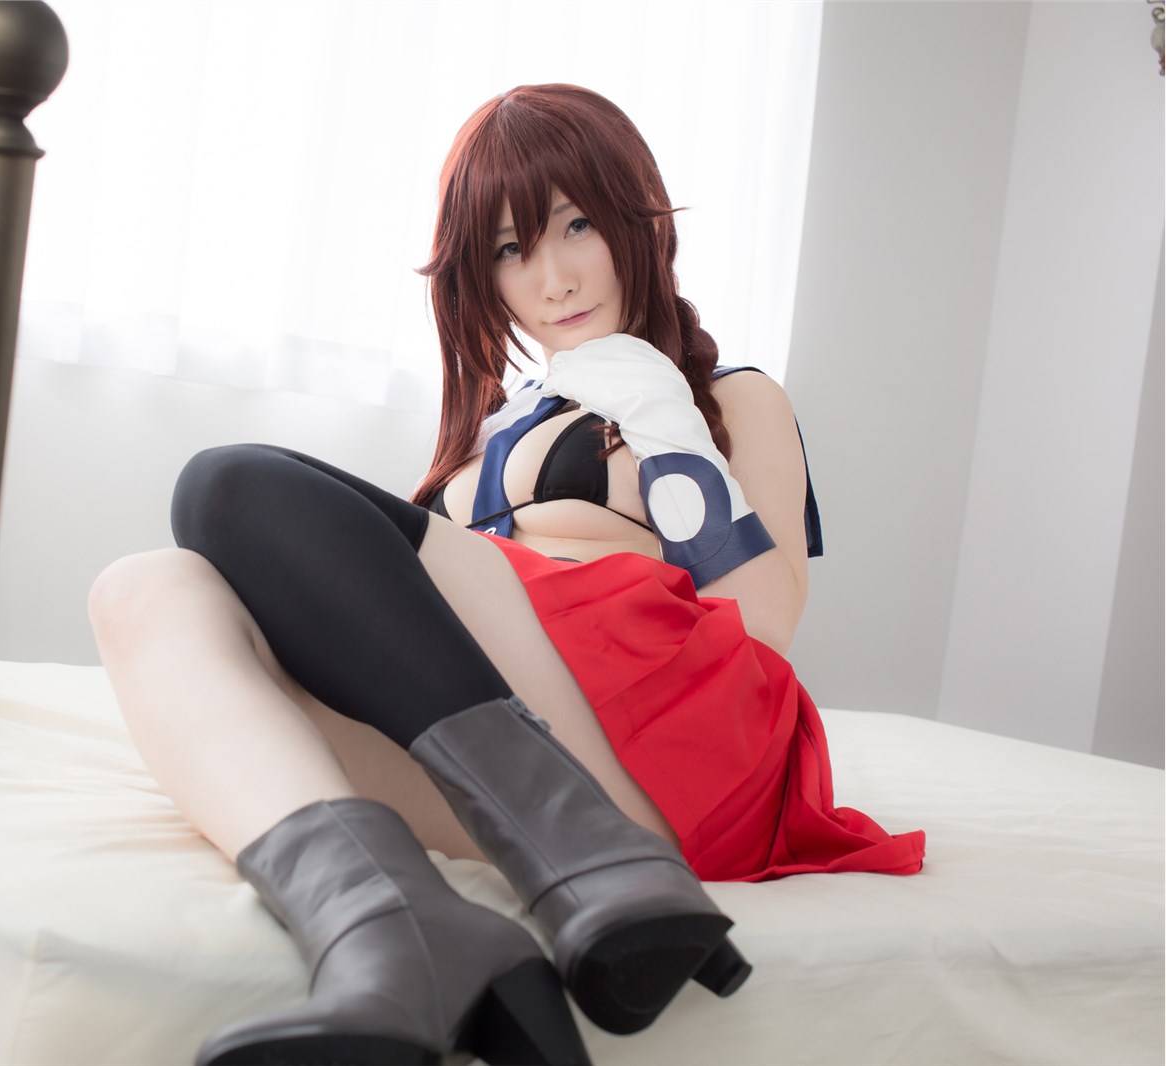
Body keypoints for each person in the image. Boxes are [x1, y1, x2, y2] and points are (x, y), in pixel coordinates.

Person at [88, 84, 925, 1066]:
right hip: (513, 754)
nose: (554, 278)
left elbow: (763, 622)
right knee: (145, 590)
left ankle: (593, 855)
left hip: (670, 735)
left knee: (227, 486)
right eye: (510, 249)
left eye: (577, 225)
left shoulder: (726, 397)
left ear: (637, 219)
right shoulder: (490, 432)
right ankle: (388, 931)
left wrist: (658, 420)